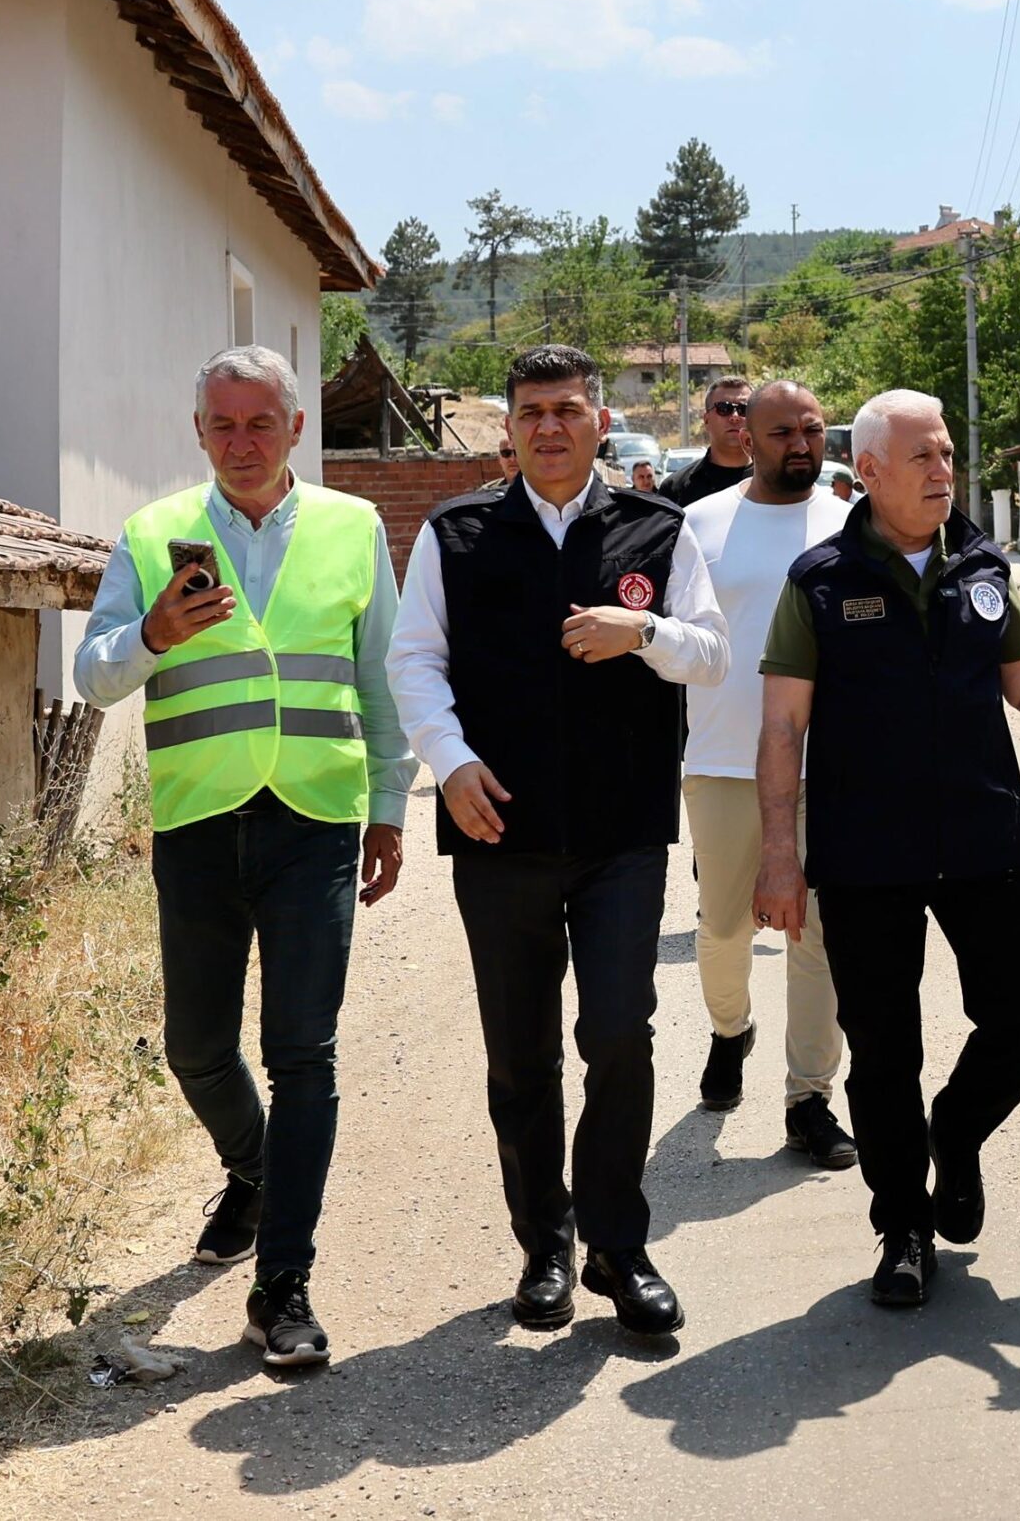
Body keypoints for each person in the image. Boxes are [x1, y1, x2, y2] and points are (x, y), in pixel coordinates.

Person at [753, 390, 1020, 1308]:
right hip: (863, 853)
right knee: (883, 1051)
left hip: (981, 837)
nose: (943, 472)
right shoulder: (819, 580)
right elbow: (781, 729)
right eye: (922, 457)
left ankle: (954, 1135)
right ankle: (903, 1228)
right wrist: (779, 852)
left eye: (949, 456)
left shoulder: (983, 564)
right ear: (871, 470)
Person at [72, 344, 413, 1369]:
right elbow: (92, 677)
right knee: (196, 1047)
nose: (241, 442)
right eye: (222, 425)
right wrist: (156, 632)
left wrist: (390, 805)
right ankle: (254, 1167)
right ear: (197, 434)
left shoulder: (354, 527)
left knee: (303, 1052)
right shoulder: (150, 535)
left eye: (260, 422)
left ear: (297, 428)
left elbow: (383, 676)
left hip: (314, 817)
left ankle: (283, 1288)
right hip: (199, 822)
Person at [388, 344, 730, 1337]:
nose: (548, 426)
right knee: (522, 1052)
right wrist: (448, 763)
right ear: (507, 425)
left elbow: (710, 652)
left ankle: (619, 1244)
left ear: (598, 419)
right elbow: (416, 663)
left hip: (621, 831)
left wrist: (646, 634)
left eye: (567, 409)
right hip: (499, 830)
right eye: (530, 409)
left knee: (618, 1031)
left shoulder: (654, 528)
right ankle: (544, 1239)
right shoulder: (458, 532)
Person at [680, 382, 856, 1163]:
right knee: (722, 929)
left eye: (813, 430)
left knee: (819, 938)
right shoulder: (701, 523)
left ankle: (808, 1098)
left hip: (834, 766)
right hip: (722, 761)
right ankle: (729, 1028)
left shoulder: (855, 520)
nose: (801, 444)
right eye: (782, 431)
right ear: (744, 438)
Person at [656, 375, 753, 506]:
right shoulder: (675, 489)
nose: (734, 417)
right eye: (724, 408)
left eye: (743, 410)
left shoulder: (776, 483)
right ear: (706, 420)